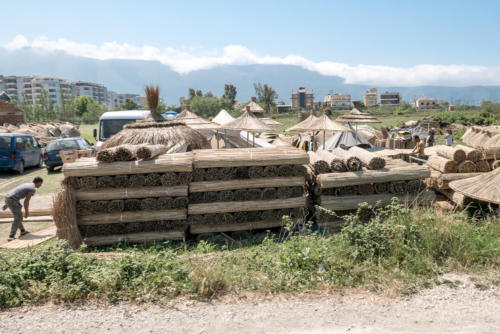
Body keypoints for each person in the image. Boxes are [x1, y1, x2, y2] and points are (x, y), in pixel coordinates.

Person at [2, 177, 43, 241]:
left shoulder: (27, 184)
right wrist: (27, 212)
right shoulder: (32, 189)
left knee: (18, 216)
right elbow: (26, 201)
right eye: (40, 184)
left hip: (9, 198)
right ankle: (11, 236)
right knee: (18, 217)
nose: (41, 185)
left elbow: (16, 192)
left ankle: (22, 231)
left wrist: (7, 204)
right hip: (12, 200)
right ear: (38, 182)